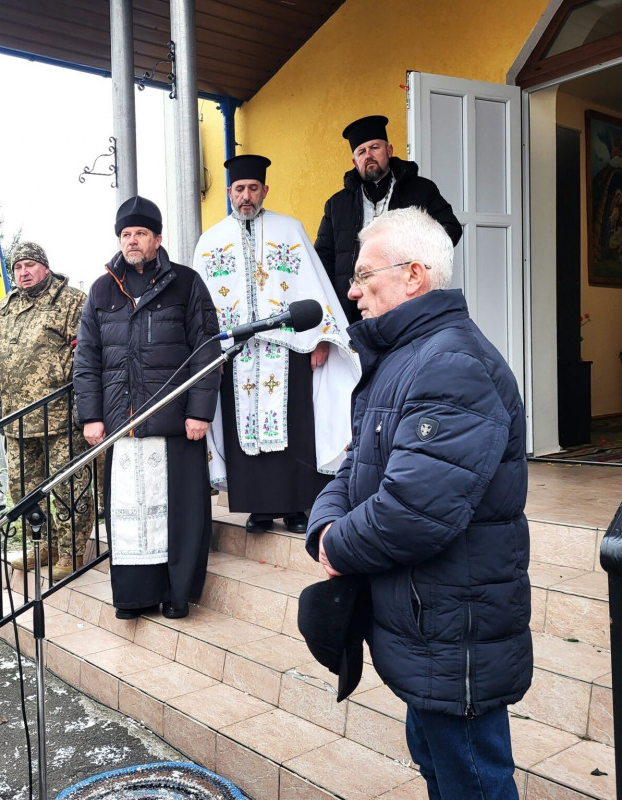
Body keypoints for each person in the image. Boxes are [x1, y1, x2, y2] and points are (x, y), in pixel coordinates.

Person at [305, 208, 531, 799]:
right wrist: (323, 527)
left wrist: (337, 544)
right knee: (439, 768)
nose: (351, 290)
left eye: (362, 275)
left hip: (455, 626)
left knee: (472, 784)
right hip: (423, 620)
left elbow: (413, 510)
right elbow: (356, 467)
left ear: (413, 276)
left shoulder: (452, 364)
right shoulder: (406, 356)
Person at [192, 154, 359, 535]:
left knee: (296, 427)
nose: (246, 196)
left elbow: (315, 289)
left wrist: (320, 340)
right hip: (237, 354)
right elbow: (201, 306)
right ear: (230, 193)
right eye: (239, 189)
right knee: (242, 429)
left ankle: (298, 507)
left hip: (290, 348)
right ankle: (258, 509)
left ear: (265, 190)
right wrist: (210, 354)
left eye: (253, 188)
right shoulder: (211, 241)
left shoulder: (290, 230)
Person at [74, 196, 221, 620]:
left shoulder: (187, 283)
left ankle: (177, 595)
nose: (132, 241)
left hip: (176, 422)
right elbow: (87, 359)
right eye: (125, 234)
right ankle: (135, 597)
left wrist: (200, 411)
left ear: (158, 238)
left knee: (178, 515)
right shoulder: (102, 289)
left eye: (140, 233)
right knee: (129, 516)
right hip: (123, 424)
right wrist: (92, 415)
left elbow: (207, 351)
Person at [0, 242, 94, 582]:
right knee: (23, 489)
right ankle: (42, 545)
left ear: (45, 267)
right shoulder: (3, 307)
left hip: (60, 416)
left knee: (68, 488)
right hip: (16, 419)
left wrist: (83, 403)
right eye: (18, 267)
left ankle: (71, 551)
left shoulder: (71, 300)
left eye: (30, 265)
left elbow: (86, 354)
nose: (23, 272)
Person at [315, 115, 463, 323]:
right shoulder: (336, 204)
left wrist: (413, 250)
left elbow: (451, 229)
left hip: (404, 299)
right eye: (361, 152)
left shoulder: (421, 189)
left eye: (375, 147)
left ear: (389, 151)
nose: (368, 156)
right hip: (353, 306)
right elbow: (323, 259)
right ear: (354, 161)